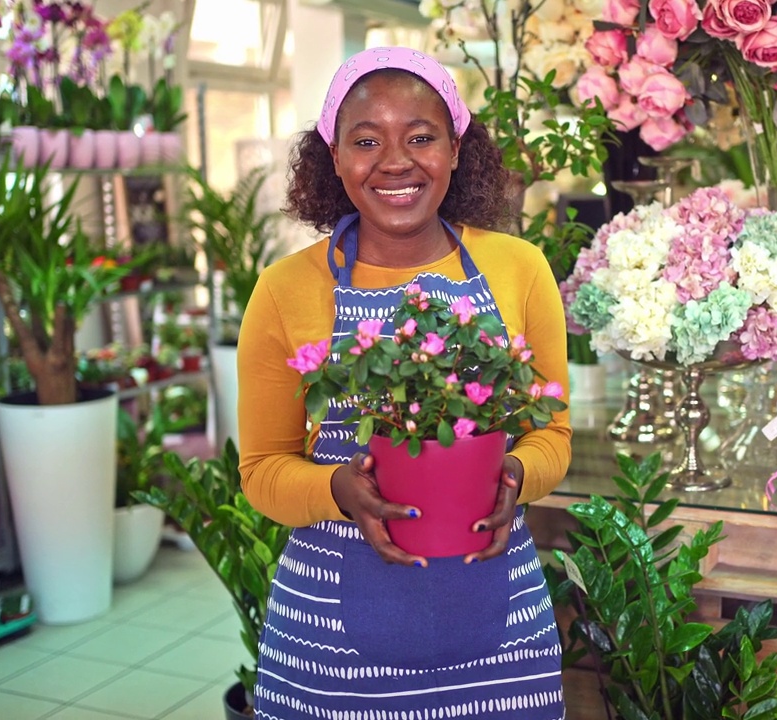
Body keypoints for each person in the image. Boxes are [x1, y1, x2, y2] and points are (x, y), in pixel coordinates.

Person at [237, 47, 572, 718]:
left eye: (420, 137)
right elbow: (262, 469)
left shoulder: (519, 268)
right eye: (367, 141)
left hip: (501, 644)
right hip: (330, 648)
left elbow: (552, 436)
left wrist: (512, 475)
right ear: (334, 157)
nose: (395, 161)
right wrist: (337, 488)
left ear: (455, 148)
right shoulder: (285, 290)